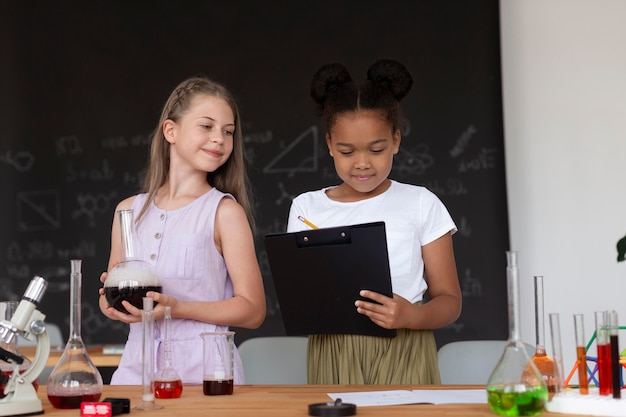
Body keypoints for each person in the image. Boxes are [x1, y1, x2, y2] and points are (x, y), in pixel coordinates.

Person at [286, 59, 462, 384]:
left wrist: (413, 314)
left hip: (406, 345)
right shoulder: (306, 208)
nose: (363, 163)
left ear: (396, 140)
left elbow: (450, 300)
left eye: (377, 149)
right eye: (347, 151)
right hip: (332, 351)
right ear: (328, 145)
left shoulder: (421, 203)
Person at [99, 76, 266, 385]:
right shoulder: (127, 211)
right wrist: (111, 303)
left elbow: (253, 310)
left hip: (208, 374)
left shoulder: (225, 212)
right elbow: (113, 288)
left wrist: (178, 308)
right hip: (136, 369)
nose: (219, 139)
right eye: (207, 126)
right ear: (170, 131)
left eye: (228, 132)